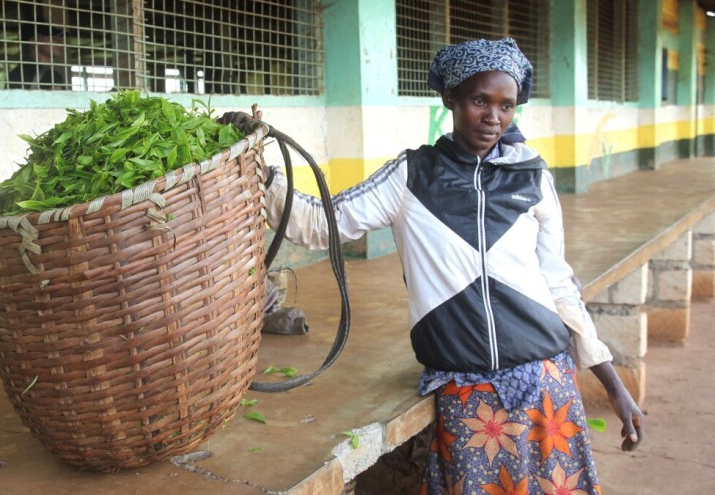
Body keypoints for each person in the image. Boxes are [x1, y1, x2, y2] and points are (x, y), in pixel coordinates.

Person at [221, 38, 643, 494]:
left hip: (547, 382)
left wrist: (613, 384)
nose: (493, 117)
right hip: (468, 393)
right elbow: (320, 223)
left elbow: (559, 283)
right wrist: (259, 168)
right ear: (450, 99)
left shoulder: (533, 176)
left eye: (506, 105)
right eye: (479, 101)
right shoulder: (411, 175)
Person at [7, 21, 67, 90]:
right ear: (33, 41)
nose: (60, 41)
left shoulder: (14, 74)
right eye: (51, 35)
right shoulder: (51, 76)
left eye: (60, 36)